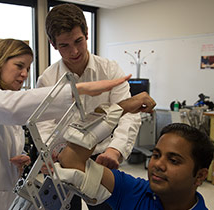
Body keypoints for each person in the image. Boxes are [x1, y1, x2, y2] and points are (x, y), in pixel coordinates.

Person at [0, 38, 137, 210]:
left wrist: (23, 160)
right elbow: (11, 107)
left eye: (28, 68)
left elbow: (4, 143)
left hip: (5, 196)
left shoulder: (7, 103)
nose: (24, 74)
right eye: (19, 66)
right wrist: (79, 89)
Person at [37, 4, 141, 209]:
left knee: (104, 207)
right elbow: (44, 125)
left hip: (103, 156)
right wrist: (53, 154)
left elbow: (127, 114)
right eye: (65, 45)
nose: (74, 51)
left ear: (86, 34)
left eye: (78, 41)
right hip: (64, 159)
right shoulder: (48, 79)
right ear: (53, 44)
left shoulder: (110, 70)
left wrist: (115, 150)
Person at [56, 123, 214, 210]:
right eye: (156, 155)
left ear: (200, 176)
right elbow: (71, 160)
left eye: (173, 160)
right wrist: (121, 110)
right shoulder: (135, 191)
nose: (158, 164)